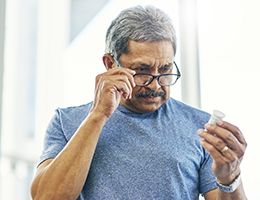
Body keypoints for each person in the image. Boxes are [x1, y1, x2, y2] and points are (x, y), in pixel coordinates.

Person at [30, 5, 247, 200]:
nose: (155, 86)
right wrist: (98, 116)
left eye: (165, 70)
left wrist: (230, 179)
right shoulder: (66, 122)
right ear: (110, 64)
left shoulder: (201, 127)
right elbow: (46, 197)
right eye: (142, 70)